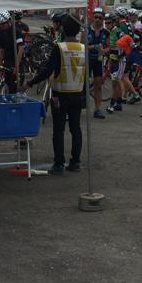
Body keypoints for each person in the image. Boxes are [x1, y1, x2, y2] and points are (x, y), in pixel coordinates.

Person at [24, 14, 86, 174]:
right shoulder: (83, 48)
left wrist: (30, 83)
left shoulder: (59, 48)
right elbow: (87, 73)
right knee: (76, 128)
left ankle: (59, 163)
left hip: (59, 94)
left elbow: (47, 70)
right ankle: (75, 162)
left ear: (64, 29)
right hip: (77, 94)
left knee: (59, 130)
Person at [86, 8, 109, 119]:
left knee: (98, 85)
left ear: (103, 19)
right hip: (87, 59)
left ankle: (97, 109)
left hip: (98, 61)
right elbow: (82, 45)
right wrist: (95, 47)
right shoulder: (86, 30)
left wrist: (105, 50)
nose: (97, 19)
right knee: (82, 85)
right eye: (96, 17)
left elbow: (109, 46)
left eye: (100, 17)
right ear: (92, 17)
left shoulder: (106, 32)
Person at [0, 10, 20, 93]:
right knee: (6, 82)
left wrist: (17, 66)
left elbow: (21, 49)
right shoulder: (1, 31)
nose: (1, 27)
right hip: (7, 60)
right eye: (0, 25)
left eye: (2, 24)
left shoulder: (16, 31)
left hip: (16, 59)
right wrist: (0, 66)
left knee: (12, 88)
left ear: (8, 21)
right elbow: (1, 50)